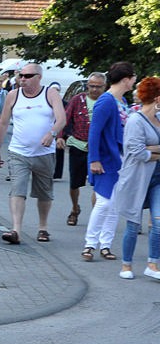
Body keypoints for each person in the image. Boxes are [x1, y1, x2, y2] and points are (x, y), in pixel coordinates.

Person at [0, 62, 67, 245]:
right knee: (17, 188)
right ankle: (16, 229)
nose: (22, 79)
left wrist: (52, 134)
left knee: (44, 193)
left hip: (44, 153)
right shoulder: (13, 95)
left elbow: (62, 119)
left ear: (39, 77)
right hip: (18, 152)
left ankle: (43, 227)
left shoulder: (50, 93)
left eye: (27, 76)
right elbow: (3, 123)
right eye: (21, 76)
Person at [81, 61, 136, 261]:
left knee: (115, 204)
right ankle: (90, 244)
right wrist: (94, 160)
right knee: (104, 203)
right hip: (106, 159)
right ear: (125, 79)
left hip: (120, 159)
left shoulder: (122, 101)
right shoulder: (106, 101)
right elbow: (94, 132)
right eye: (133, 77)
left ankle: (105, 245)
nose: (134, 81)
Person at [113, 77, 160, 280]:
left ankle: (152, 264)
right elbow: (136, 152)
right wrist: (150, 151)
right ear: (157, 98)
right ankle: (126, 265)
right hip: (137, 178)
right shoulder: (135, 120)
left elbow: (141, 150)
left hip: (157, 178)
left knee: (158, 222)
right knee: (133, 223)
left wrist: (150, 149)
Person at [60, 73, 106, 225]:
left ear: (104, 87)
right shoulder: (77, 100)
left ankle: (96, 217)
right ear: (87, 86)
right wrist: (60, 136)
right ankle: (74, 208)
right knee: (75, 183)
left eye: (98, 86)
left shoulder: (108, 101)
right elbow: (65, 118)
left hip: (100, 149)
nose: (94, 89)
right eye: (91, 86)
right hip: (78, 145)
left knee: (98, 184)